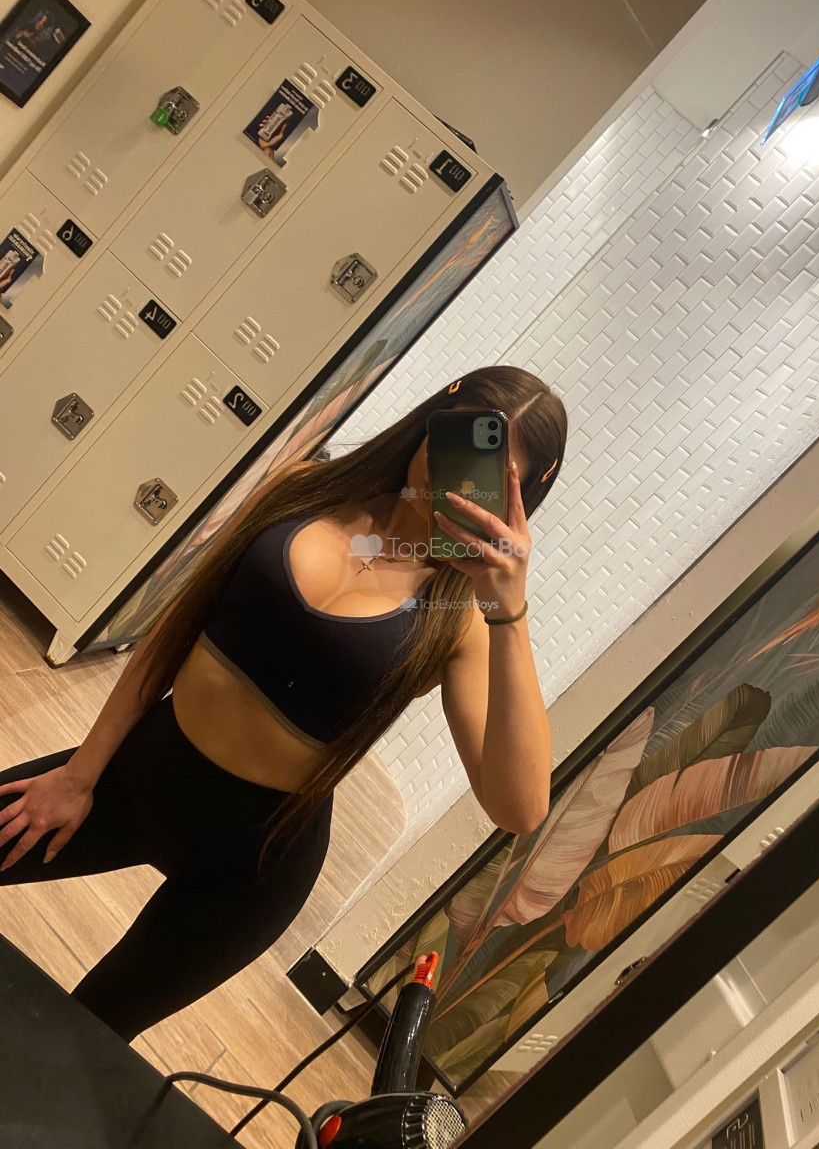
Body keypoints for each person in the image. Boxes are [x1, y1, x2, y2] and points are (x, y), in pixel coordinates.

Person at [0, 364, 567, 1042]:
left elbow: (519, 807)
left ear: (519, 496)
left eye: (486, 473)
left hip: (253, 866)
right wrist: (78, 775)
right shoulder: (305, 490)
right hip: (140, 772)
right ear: (433, 420)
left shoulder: (459, 622)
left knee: (79, 1039)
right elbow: (174, 632)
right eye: (459, 440)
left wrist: (511, 611)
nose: (453, 477)